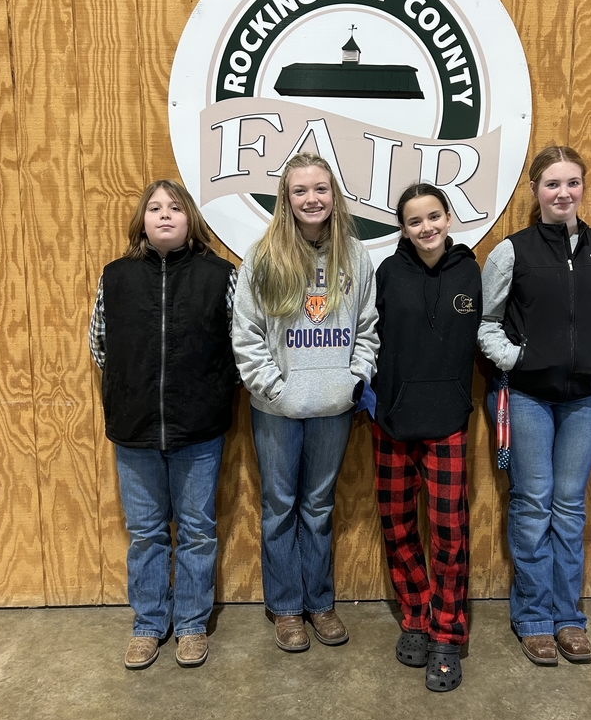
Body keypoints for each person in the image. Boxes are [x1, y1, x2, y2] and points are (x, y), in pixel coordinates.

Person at [479, 146, 591, 666]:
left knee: (569, 509)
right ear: (535, 191)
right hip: (528, 398)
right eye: (552, 184)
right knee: (531, 505)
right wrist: (516, 360)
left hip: (589, 400)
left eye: (572, 183)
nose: (563, 193)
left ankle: (569, 618)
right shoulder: (512, 252)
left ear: (583, 188)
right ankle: (534, 619)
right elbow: (487, 323)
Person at [231, 152, 378, 652]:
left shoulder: (355, 258)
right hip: (276, 409)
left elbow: (368, 330)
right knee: (279, 508)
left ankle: (320, 602)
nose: (311, 199)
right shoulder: (264, 256)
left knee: (318, 508)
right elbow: (247, 334)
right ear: (286, 199)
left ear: (333, 196)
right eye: (300, 191)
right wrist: (273, 387)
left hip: (333, 408)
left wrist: (352, 380)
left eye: (320, 189)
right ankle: (287, 607)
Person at [89, 180, 237, 670]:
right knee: (147, 531)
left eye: (175, 207)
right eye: (155, 208)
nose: (165, 215)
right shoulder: (116, 277)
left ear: (190, 218)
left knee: (196, 528)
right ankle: (149, 623)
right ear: (142, 221)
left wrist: (211, 392)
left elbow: (239, 349)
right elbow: (100, 347)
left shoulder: (220, 275)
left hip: (199, 427)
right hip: (134, 428)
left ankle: (191, 623)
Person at [372, 183, 481, 692]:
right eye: (414, 221)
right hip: (394, 422)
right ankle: (415, 615)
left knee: (450, 535)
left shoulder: (470, 271)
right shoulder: (388, 274)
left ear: (449, 216)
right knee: (397, 527)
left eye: (433, 216)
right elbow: (370, 339)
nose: (426, 228)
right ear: (403, 228)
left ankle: (445, 634)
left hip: (448, 424)